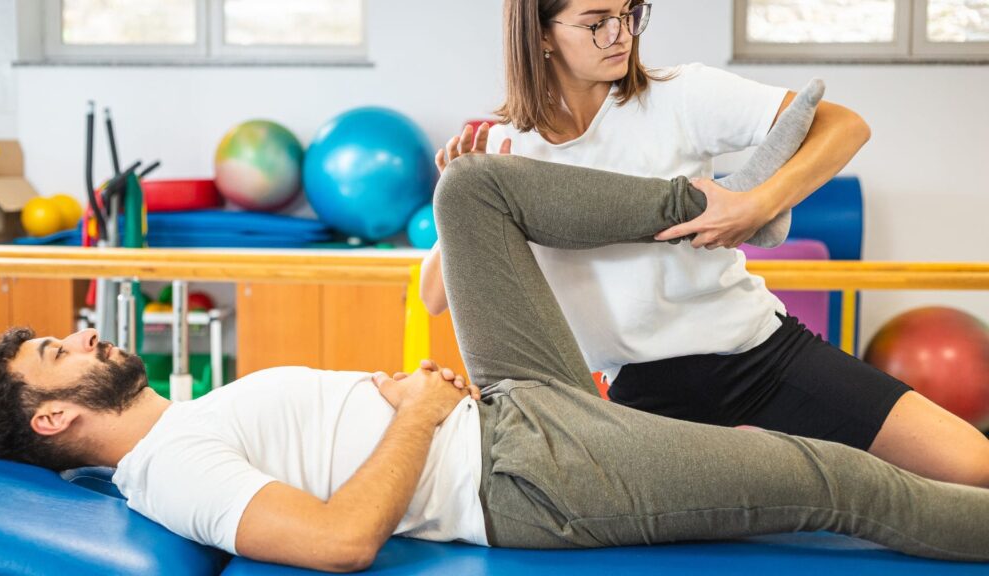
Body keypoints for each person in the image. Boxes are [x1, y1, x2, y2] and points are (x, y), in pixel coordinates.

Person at [0, 149, 988, 574]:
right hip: (527, 474)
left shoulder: (186, 415)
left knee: (470, 194)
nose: (87, 335)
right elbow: (336, 544)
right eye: (59, 352)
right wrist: (413, 409)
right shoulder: (164, 474)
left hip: (512, 406)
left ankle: (716, 203)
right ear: (50, 419)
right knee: (834, 480)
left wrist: (407, 405)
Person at [421, 0, 989, 487]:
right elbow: (433, 296)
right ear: (540, 33)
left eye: (629, 14)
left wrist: (758, 205)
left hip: (757, 351)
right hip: (642, 393)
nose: (620, 34)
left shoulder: (680, 94)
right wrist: (463, 195)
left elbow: (843, 125)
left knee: (971, 465)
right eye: (596, 22)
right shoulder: (503, 148)